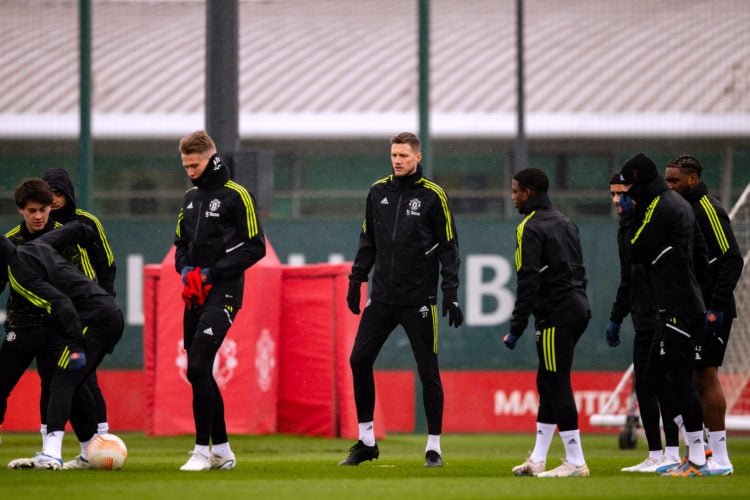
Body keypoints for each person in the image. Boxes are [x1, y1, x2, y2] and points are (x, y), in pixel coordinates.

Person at [339, 132, 462, 468]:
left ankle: (433, 447)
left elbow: (449, 248)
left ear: (417, 158)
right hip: (382, 297)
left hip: (419, 298)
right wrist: (356, 279)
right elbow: (368, 240)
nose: (397, 160)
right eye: (394, 155)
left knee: (428, 370)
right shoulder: (378, 192)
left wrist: (450, 292)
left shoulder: (434, 196)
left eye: (404, 156)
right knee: (358, 360)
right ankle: (366, 442)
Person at [174, 130, 267, 471]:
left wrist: (212, 273)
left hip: (225, 292)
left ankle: (201, 450)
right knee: (198, 372)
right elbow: (180, 242)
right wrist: (185, 270)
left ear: (210, 159)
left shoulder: (236, 196)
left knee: (199, 364)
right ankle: (223, 452)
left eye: (194, 165)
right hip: (194, 294)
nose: (190, 171)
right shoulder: (190, 198)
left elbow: (255, 246)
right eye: (185, 165)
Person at [0, 221, 124, 470]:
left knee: (62, 380)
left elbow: (62, 304)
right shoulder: (36, 246)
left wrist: (75, 345)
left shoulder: (18, 273)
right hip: (106, 316)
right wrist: (89, 236)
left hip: (93, 321)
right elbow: (77, 229)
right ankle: (89, 452)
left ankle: (51, 454)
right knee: (73, 384)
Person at [618, 153, 709, 477]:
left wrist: (630, 219)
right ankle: (692, 450)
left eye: (629, 185)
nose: (626, 193)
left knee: (676, 380)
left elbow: (636, 250)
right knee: (656, 377)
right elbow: (700, 255)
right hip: (679, 303)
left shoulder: (659, 207)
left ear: (639, 180)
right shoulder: (678, 205)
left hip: (677, 306)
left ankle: (698, 455)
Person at [503, 167, 591, 478]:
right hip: (577, 307)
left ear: (528, 192)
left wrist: (516, 327)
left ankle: (576, 461)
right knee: (547, 381)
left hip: (556, 314)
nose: (512, 197)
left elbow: (527, 280)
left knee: (556, 382)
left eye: (515, 191)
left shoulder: (530, 227)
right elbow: (578, 269)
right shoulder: (566, 221)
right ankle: (538, 458)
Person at [665, 155, 743, 475]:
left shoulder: (708, 210)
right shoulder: (684, 211)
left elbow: (732, 260)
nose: (670, 186)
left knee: (705, 376)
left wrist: (715, 307)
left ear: (693, 180)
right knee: (688, 377)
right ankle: (701, 454)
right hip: (692, 308)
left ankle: (721, 460)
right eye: (667, 181)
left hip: (712, 310)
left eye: (675, 181)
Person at [42, 167, 117, 468]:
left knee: (85, 375)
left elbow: (107, 264)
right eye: (50, 195)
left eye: (59, 194)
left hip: (88, 309)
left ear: (69, 194)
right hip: (56, 312)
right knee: (55, 375)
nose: (55, 200)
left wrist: (104, 301)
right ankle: (68, 443)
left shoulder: (86, 223)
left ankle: (100, 439)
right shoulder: (39, 226)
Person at [605, 172, 681, 473]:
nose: (615, 200)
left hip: (662, 316)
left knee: (666, 384)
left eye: (620, 194)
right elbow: (628, 278)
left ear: (634, 194)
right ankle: (655, 454)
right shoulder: (625, 229)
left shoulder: (652, 223)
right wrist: (616, 316)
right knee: (645, 386)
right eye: (611, 194)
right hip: (641, 319)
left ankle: (676, 451)